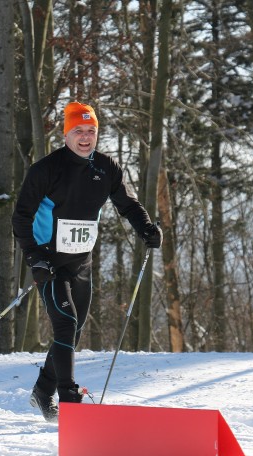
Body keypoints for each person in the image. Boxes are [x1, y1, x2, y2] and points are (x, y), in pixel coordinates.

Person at [12, 102, 162, 422]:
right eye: (78, 131)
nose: (85, 137)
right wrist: (34, 257)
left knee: (73, 332)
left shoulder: (106, 168)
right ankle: (67, 399)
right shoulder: (46, 169)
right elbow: (21, 217)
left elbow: (128, 204)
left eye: (91, 131)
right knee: (65, 324)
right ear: (66, 133)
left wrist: (147, 229)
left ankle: (42, 392)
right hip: (49, 262)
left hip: (81, 263)